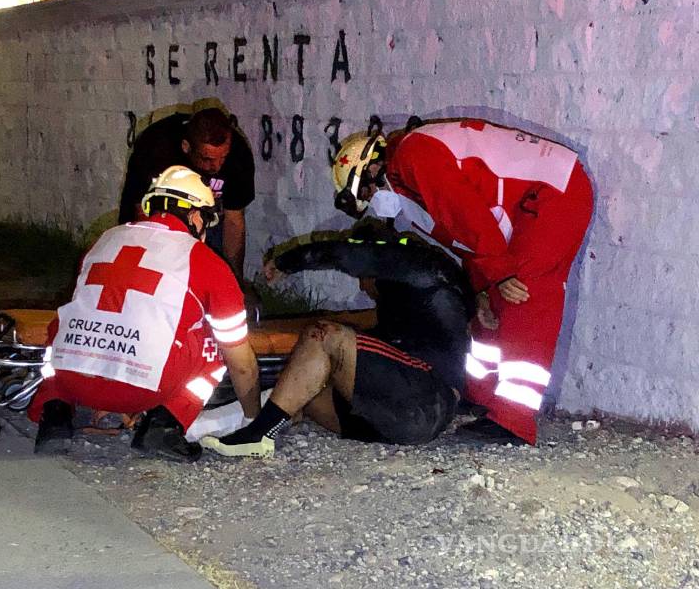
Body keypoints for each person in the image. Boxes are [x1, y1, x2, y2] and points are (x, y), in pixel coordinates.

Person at [330, 118, 594, 444]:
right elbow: (463, 238)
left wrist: (497, 273)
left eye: (366, 192)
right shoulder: (407, 189)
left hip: (555, 190)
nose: (372, 201)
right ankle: (482, 399)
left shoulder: (413, 155)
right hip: (530, 197)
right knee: (491, 310)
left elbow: (468, 216)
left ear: (372, 168)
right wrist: (482, 288)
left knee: (525, 295)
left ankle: (514, 422)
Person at [30, 165, 261, 461]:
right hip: (142, 390)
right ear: (194, 216)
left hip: (72, 379)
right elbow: (241, 362)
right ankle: (165, 424)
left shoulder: (106, 240)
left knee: (65, 322)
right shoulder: (205, 260)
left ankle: (55, 412)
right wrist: (253, 419)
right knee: (215, 342)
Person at [201, 231, 475, 457]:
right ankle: (219, 426)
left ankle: (256, 433)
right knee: (300, 386)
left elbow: (347, 254)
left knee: (323, 335)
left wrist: (289, 261)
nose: (361, 287)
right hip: (394, 417)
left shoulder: (416, 265)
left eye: (362, 278)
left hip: (428, 400)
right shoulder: (414, 297)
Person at [118, 107, 255, 283]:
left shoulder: (238, 155)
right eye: (207, 159)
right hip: (156, 218)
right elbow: (141, 213)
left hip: (205, 219)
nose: (216, 167)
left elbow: (234, 221)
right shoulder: (155, 149)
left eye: (223, 157)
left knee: (212, 270)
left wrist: (234, 280)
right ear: (186, 147)